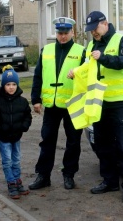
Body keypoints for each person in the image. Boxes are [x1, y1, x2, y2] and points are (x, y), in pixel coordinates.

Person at [83, 11, 123, 203]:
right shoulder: (90, 45)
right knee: (102, 144)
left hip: (120, 103)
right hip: (99, 103)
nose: (93, 34)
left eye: (95, 29)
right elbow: (86, 68)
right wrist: (76, 72)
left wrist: (104, 57)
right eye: (90, 31)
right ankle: (110, 181)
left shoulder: (122, 40)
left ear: (105, 23)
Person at [29, 17, 86, 190]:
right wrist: (36, 99)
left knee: (73, 142)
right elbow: (38, 75)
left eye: (66, 33)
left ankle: (69, 174)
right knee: (47, 140)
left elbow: (87, 77)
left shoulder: (81, 51)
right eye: (59, 33)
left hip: (73, 103)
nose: (62, 37)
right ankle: (43, 175)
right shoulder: (46, 50)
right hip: (51, 105)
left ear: (72, 33)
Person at [0, 65, 32, 199]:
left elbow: (27, 116)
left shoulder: (22, 101)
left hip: (16, 136)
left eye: (14, 84)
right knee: (7, 161)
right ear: (3, 86)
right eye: (8, 84)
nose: (11, 87)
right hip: (4, 136)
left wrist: (24, 126)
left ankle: (17, 180)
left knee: (16, 160)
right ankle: (11, 182)